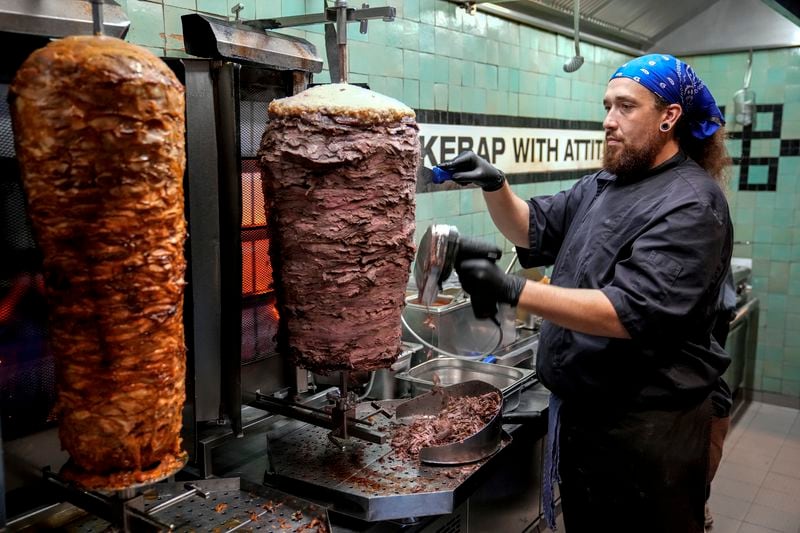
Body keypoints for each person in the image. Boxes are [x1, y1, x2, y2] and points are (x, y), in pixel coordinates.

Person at [438, 54, 733, 533]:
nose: (608, 121)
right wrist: (496, 185)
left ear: (669, 117)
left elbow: (626, 311)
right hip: (589, 419)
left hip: (647, 430)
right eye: (607, 106)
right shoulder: (603, 185)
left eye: (625, 107)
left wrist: (511, 288)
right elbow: (530, 227)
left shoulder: (691, 202)